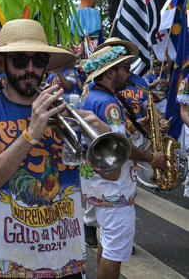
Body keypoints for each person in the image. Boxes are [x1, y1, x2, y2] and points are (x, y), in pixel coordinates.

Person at [0, 19, 106, 278]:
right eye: (19, 60)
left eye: (38, 60)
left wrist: (103, 136)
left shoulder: (65, 110)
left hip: (66, 262)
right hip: (6, 266)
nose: (30, 69)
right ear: (1, 63)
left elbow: (111, 175)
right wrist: (30, 133)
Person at [80, 41, 167, 279]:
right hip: (114, 186)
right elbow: (123, 147)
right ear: (110, 72)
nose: (129, 73)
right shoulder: (109, 104)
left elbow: (112, 135)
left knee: (107, 243)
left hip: (99, 185)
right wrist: (152, 158)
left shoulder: (93, 96)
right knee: (115, 250)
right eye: (125, 68)